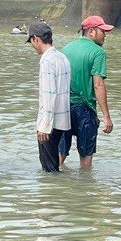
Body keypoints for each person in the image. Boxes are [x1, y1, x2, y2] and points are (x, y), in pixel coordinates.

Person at [59, 15, 115, 169]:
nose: (105, 35)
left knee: (60, 152)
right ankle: (84, 188)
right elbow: (98, 85)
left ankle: (53, 185)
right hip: (85, 109)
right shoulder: (98, 52)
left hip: (63, 108)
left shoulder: (65, 49)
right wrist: (106, 117)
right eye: (102, 31)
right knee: (85, 158)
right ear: (91, 31)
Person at [28, 22, 71, 172]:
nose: (32, 45)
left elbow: (49, 94)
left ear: (35, 39)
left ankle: (51, 194)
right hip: (62, 120)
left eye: (31, 41)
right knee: (54, 166)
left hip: (50, 124)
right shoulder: (62, 58)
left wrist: (44, 126)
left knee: (49, 169)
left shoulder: (47, 61)